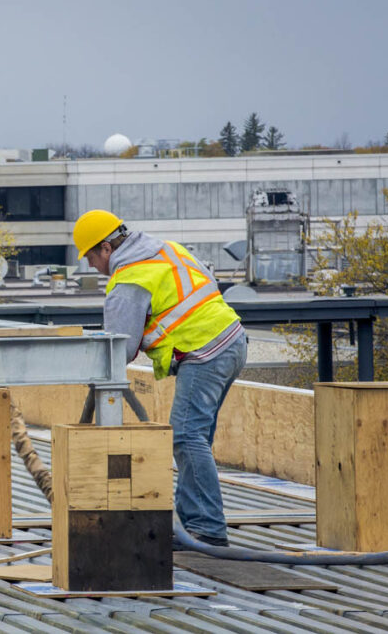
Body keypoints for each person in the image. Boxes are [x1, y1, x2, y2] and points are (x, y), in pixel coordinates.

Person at [73, 209, 246, 546]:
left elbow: (118, 349)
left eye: (91, 257)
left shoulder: (130, 280)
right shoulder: (166, 249)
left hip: (204, 352)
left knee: (186, 437)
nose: (92, 266)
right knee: (195, 438)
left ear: (106, 248)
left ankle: (207, 530)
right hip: (232, 341)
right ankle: (196, 524)